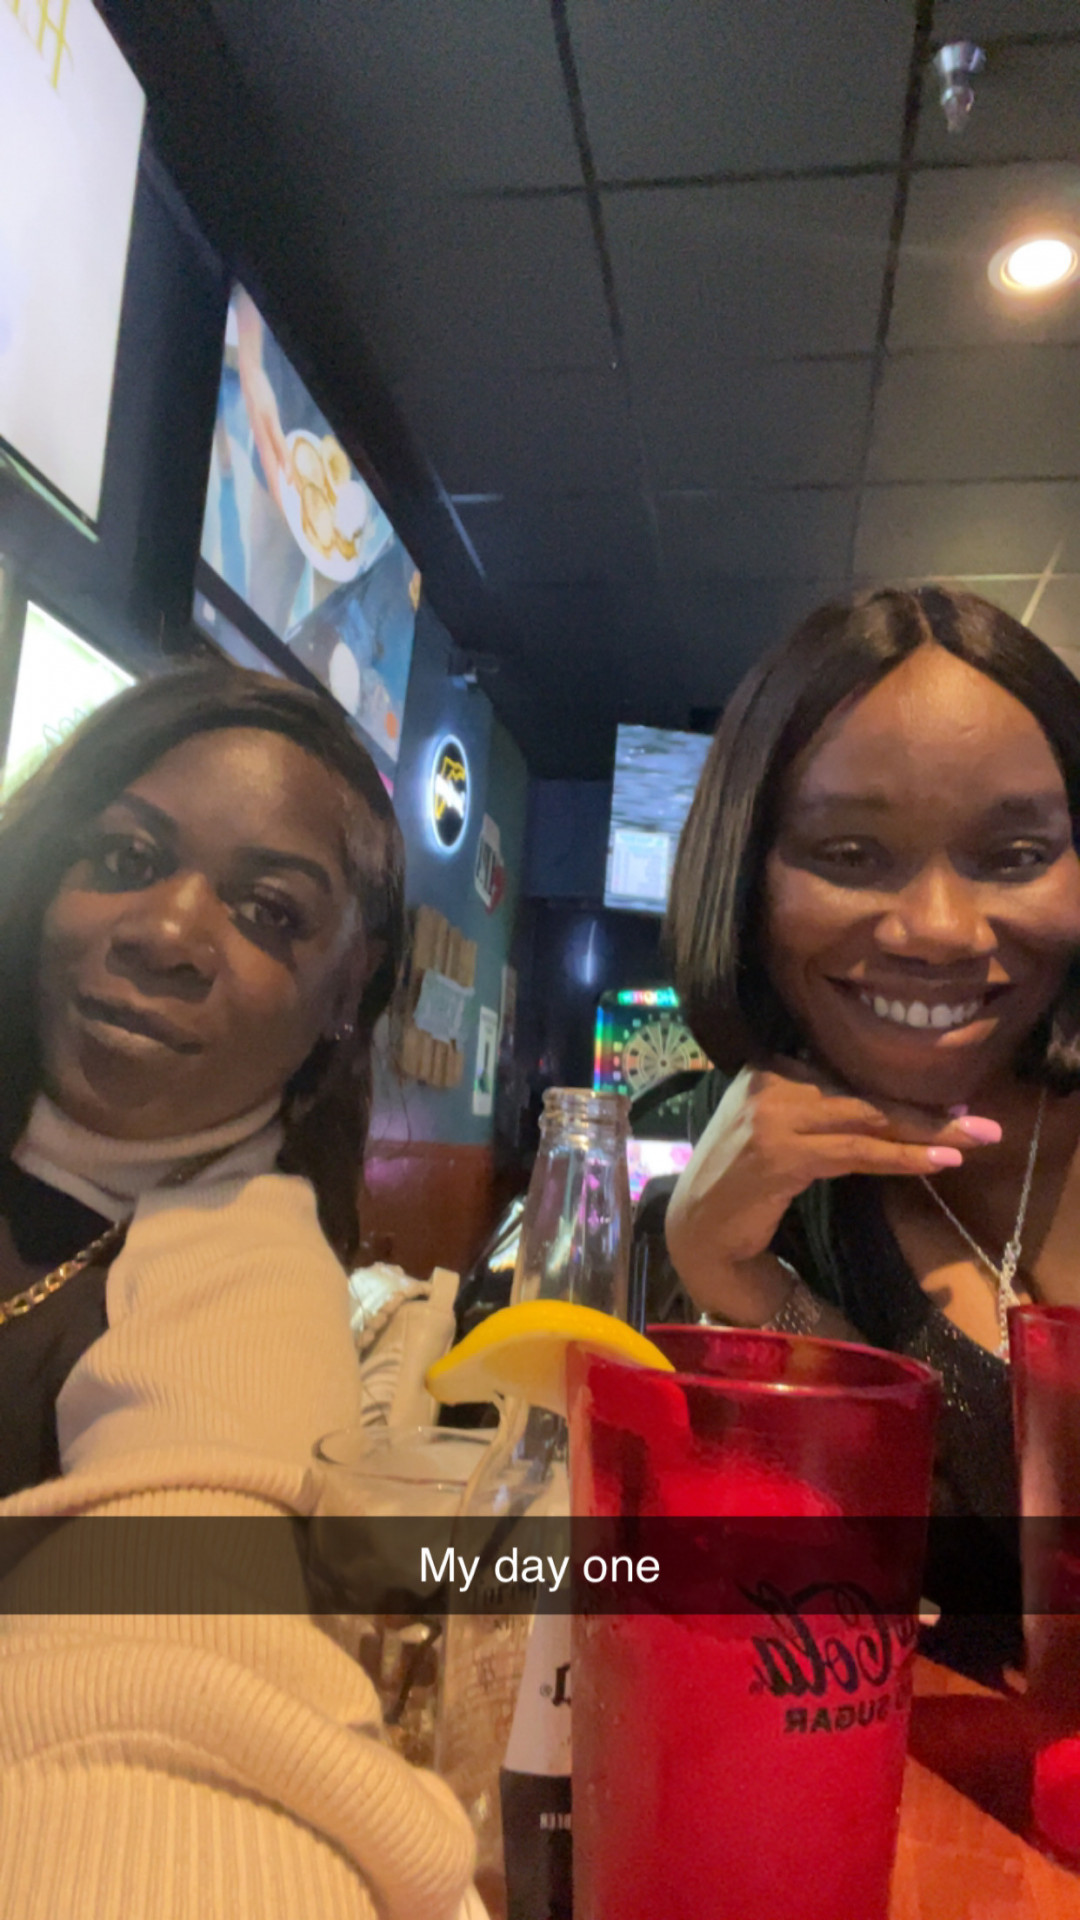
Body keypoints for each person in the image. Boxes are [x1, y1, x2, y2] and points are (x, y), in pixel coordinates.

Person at [0, 664, 481, 1918]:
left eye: (269, 912)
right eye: (125, 856)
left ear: (347, 993)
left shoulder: (248, 1268)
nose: (166, 932)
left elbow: (180, 1638)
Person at [663, 586, 1080, 1556]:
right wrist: (722, 1264)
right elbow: (889, 1526)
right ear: (746, 879)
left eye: (1015, 855)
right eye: (851, 854)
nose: (938, 930)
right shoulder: (784, 1196)